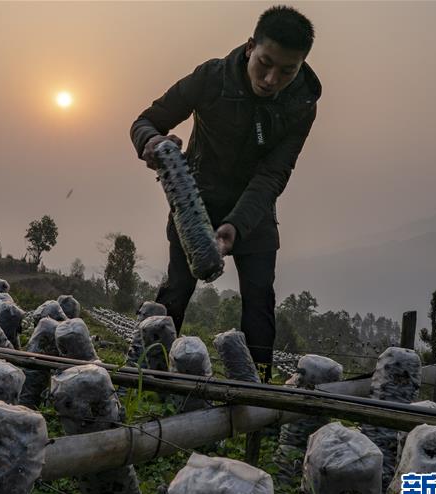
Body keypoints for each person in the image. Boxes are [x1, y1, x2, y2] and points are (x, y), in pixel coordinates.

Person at [130, 5, 321, 381]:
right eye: (265, 63)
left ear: (301, 67)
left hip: (254, 210)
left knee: (259, 302)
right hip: (195, 202)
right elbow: (146, 120)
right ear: (251, 47)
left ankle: (258, 391)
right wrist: (150, 142)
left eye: (287, 71)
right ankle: (147, 380)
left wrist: (236, 225)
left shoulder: (301, 105)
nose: (271, 79)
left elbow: (273, 174)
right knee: (176, 291)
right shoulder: (211, 78)